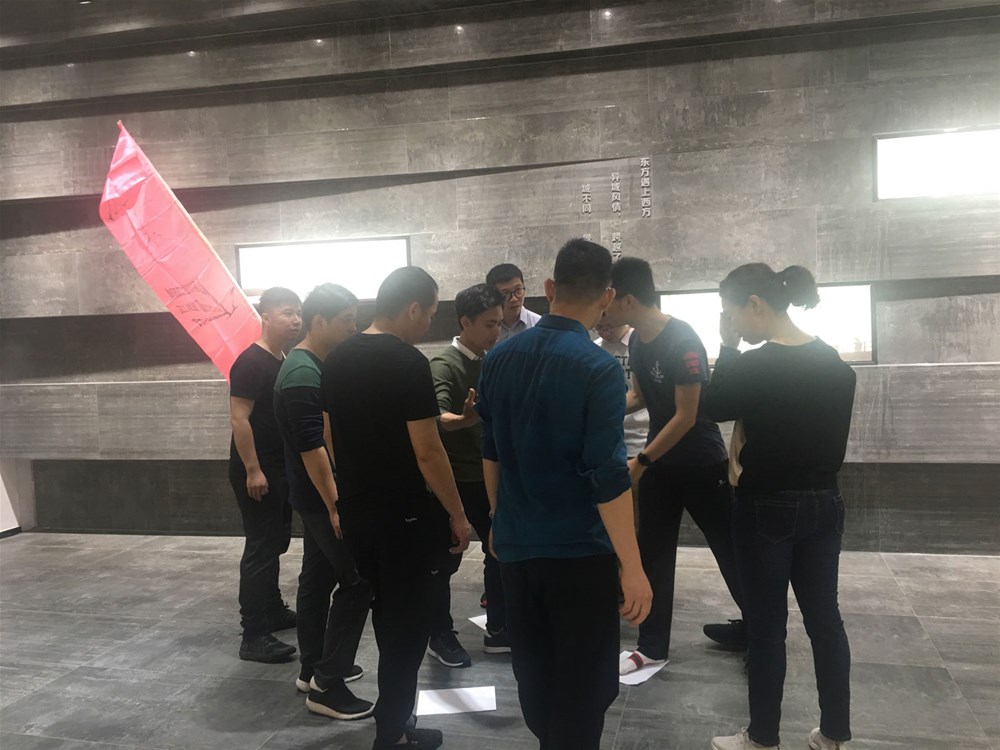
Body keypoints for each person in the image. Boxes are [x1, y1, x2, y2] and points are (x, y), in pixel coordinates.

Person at [477, 239, 652, 750]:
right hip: (579, 554)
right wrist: (633, 566)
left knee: (536, 675)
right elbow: (608, 476)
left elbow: (492, 451)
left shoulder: (497, 358)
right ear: (607, 296)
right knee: (585, 685)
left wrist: (497, 517)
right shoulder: (597, 368)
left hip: (517, 548)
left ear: (550, 287)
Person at [322, 266, 473, 750]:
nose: (427, 323)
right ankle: (392, 735)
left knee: (387, 616)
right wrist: (458, 514)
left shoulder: (337, 357)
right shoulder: (408, 362)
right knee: (405, 630)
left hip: (359, 513)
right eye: (428, 313)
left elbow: (328, 433)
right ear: (412, 308)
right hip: (404, 518)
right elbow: (428, 452)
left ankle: (398, 724)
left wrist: (349, 489)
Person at [706, 264, 856, 750]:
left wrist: (728, 347)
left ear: (755, 304)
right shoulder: (834, 362)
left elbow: (713, 405)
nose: (732, 323)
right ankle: (833, 733)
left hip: (765, 508)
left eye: (732, 313)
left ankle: (762, 738)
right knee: (825, 622)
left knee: (767, 629)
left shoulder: (757, 364)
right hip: (825, 504)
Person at [602, 257, 746, 677]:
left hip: (701, 464)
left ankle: (761, 629)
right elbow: (639, 396)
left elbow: (687, 415)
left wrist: (642, 460)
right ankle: (651, 646)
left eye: (610, 297)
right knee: (653, 555)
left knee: (730, 551)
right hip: (660, 466)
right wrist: (596, 412)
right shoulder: (638, 342)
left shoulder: (682, 338)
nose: (604, 305)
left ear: (628, 300)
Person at [273, 283, 373, 720]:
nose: (353, 329)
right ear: (320, 321)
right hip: (319, 497)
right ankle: (327, 685)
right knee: (358, 581)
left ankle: (312, 667)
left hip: (311, 495)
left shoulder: (311, 364)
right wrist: (336, 504)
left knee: (317, 577)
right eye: (347, 321)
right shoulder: (301, 373)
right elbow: (312, 447)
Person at [426, 283, 509, 669]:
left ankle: (500, 628)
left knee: (499, 548)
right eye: (489, 324)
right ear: (465, 322)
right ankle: (438, 634)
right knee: (446, 558)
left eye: (499, 323)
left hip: (488, 473)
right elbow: (438, 418)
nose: (497, 331)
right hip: (455, 478)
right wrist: (463, 418)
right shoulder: (444, 365)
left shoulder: (492, 360)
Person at [228, 286, 301, 663]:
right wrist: (253, 470)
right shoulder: (250, 362)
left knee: (275, 542)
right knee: (260, 547)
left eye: (298, 312)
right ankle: (253, 634)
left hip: (278, 466)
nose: (296, 320)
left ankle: (271, 608)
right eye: (288, 312)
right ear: (266, 317)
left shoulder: (282, 358)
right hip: (258, 469)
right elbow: (239, 418)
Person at [593, 320, 650, 462]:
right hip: (608, 437)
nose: (604, 333)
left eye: (609, 326)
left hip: (642, 435)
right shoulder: (594, 348)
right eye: (598, 328)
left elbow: (641, 396)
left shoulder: (642, 343)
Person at [487, 263, 541, 343]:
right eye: (505, 293)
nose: (514, 299)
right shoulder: (486, 328)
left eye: (518, 290)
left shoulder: (538, 325)